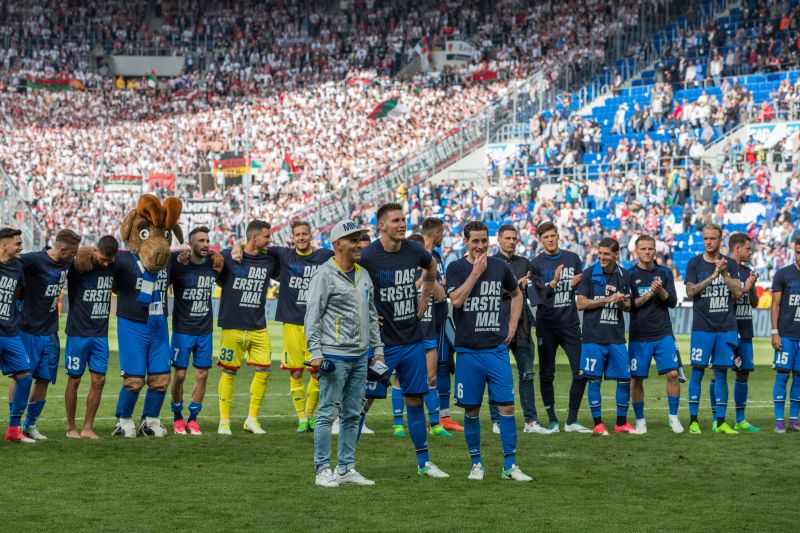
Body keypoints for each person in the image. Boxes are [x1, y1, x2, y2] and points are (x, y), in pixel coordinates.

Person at [359, 203, 448, 478]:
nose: (401, 224)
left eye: (404, 220)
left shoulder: (414, 251)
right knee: (363, 401)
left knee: (414, 401)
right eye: (395, 220)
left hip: (411, 340)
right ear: (381, 225)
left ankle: (424, 462)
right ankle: (346, 463)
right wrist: (366, 315)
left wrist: (424, 296)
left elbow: (430, 264)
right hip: (380, 346)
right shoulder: (368, 255)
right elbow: (346, 279)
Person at [446, 220, 533, 481]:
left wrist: (513, 323)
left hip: (496, 350)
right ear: (465, 242)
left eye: (484, 241)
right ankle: (476, 463)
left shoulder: (500, 267)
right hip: (468, 352)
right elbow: (457, 300)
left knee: (507, 407)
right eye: (475, 241)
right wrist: (475, 272)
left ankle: (509, 466)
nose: (480, 246)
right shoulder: (456, 268)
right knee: (471, 410)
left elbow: (517, 295)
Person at [305, 219, 383, 488]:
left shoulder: (363, 274)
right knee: (327, 413)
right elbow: (312, 316)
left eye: (360, 239)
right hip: (333, 356)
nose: (359, 244)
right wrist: (315, 352)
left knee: (353, 414)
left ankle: (346, 467)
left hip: (361, 356)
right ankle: (322, 468)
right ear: (337, 245)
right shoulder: (324, 274)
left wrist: (378, 349)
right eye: (353, 239)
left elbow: (372, 315)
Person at [268, 221, 333, 433]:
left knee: (316, 371)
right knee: (295, 373)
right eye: (298, 235)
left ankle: (311, 414)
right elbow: (254, 244)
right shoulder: (284, 255)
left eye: (305, 234)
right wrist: (235, 248)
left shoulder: (324, 256)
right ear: (292, 238)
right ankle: (302, 418)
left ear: (311, 235)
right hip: (291, 323)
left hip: (316, 323)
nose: (302, 238)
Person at [216, 220, 278, 435]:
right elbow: (215, 264)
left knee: (264, 370)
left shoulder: (270, 260)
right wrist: (236, 246)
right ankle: (224, 421)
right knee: (228, 372)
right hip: (232, 325)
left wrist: (239, 245)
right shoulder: (227, 256)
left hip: (258, 326)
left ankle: (252, 418)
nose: (270, 240)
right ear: (254, 237)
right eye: (267, 236)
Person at [17, 229, 80, 440]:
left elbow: (90, 254)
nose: (75, 256)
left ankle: (30, 425)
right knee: (21, 379)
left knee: (43, 380)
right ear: (62, 248)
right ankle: (13, 426)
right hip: (28, 330)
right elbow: (10, 260)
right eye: (72, 252)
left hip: (51, 332)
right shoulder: (34, 260)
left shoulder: (67, 262)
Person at [489, 224, 552, 435]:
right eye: (507, 238)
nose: (511, 241)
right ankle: (496, 420)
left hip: (522, 323)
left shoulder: (525, 262)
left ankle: (530, 421)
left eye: (514, 238)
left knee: (527, 374)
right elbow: (489, 293)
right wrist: (515, 285)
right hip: (498, 324)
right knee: (496, 375)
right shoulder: (491, 263)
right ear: (499, 240)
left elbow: (534, 290)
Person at [529, 221, 590, 433]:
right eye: (546, 237)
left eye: (553, 235)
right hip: (547, 325)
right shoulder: (535, 264)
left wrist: (575, 285)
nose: (551, 239)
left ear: (558, 236)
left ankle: (571, 420)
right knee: (547, 374)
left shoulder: (573, 258)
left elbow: (582, 287)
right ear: (541, 240)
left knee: (581, 372)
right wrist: (554, 281)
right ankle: (553, 420)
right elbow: (537, 296)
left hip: (571, 324)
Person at [684, 224, 743, 435]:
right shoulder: (694, 263)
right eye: (705, 238)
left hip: (725, 328)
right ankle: (693, 421)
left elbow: (738, 293)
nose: (708, 242)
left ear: (720, 241)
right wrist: (712, 276)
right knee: (697, 373)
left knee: (721, 374)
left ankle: (720, 422)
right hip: (702, 328)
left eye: (712, 238)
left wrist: (724, 273)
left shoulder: (732, 264)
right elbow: (690, 291)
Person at [576, 237, 633, 436]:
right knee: (594, 380)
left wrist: (620, 302)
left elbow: (628, 307)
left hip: (616, 337)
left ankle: (621, 423)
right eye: (600, 253)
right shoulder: (589, 273)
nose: (602, 257)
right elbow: (581, 304)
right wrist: (608, 298)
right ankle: (598, 424)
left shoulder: (624, 275)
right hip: (593, 338)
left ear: (616, 255)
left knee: (625, 379)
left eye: (606, 254)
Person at [627, 235, 683, 434]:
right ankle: (640, 420)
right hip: (639, 335)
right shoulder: (630, 274)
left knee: (673, 374)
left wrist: (661, 292)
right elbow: (630, 305)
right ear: (636, 251)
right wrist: (651, 293)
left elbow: (673, 302)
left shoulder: (665, 273)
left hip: (663, 333)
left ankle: (673, 418)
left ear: (655, 250)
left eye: (651, 249)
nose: (648, 252)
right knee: (637, 379)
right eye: (643, 249)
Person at [64, 236, 118, 439]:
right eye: (103, 258)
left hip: (100, 334)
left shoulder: (114, 266)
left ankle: (87, 428)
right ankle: (71, 428)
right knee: (74, 379)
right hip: (77, 333)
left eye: (109, 260)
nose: (105, 263)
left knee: (99, 379)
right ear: (95, 251)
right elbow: (58, 256)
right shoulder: (78, 266)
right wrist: (80, 253)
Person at [169, 227, 219, 435]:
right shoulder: (178, 263)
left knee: (202, 375)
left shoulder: (214, 264)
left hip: (205, 330)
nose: (206, 244)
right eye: (201, 241)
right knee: (179, 375)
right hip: (182, 329)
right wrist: (177, 252)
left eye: (207, 240)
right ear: (190, 244)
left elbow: (234, 254)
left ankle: (193, 419)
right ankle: (177, 417)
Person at [402, 230, 452, 438]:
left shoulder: (429, 271)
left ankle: (435, 423)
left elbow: (441, 298)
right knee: (410, 383)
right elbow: (404, 293)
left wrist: (432, 279)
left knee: (431, 379)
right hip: (408, 335)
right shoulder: (404, 272)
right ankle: (405, 422)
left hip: (428, 331)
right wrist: (423, 280)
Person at [0, 228, 35, 443]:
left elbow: (19, 295)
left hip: (11, 332)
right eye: (17, 243)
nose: (21, 246)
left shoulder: (17, 268)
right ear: (4, 245)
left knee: (25, 377)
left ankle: (14, 429)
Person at [728, 232, 761, 432]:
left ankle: (740, 419)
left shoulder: (747, 271)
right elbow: (727, 300)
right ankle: (718, 419)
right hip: (727, 330)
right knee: (719, 373)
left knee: (743, 374)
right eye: (748, 248)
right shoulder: (723, 269)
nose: (751, 252)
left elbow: (754, 303)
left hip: (745, 329)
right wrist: (744, 287)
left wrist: (752, 287)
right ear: (737, 248)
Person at [770, 238, 800, 433]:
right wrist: (775, 333)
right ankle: (779, 420)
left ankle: (794, 420)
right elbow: (775, 305)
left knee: (799, 378)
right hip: (786, 334)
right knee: (782, 376)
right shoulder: (783, 274)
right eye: (798, 252)